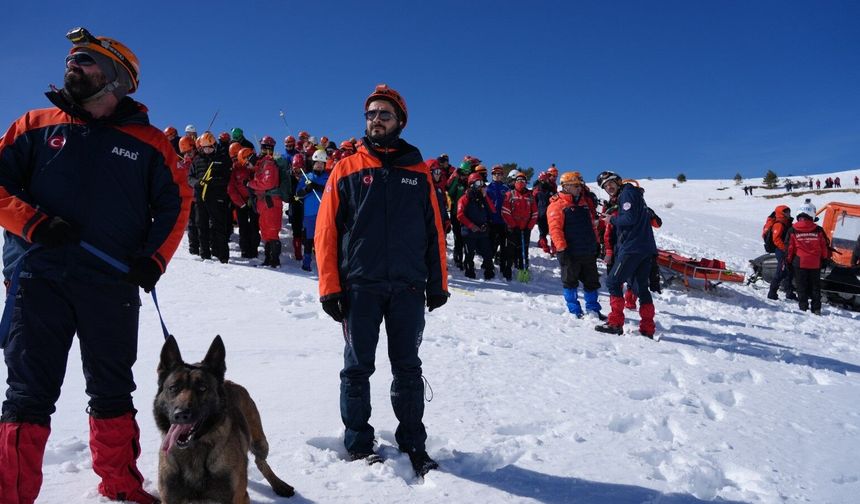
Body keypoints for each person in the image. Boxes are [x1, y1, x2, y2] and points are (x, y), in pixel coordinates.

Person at [0, 27, 191, 504]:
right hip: (37, 279)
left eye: (85, 60)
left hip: (110, 284)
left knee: (112, 389)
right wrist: (34, 224)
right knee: (27, 395)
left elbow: (176, 203)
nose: (73, 65)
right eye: (71, 58)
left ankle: (120, 484)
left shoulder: (151, 143)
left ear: (116, 77)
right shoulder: (34, 124)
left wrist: (153, 259)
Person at [315, 84, 448, 477]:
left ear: (400, 121)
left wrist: (438, 282)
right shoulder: (346, 168)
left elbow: (434, 231)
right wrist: (330, 287)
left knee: (408, 367)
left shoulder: (418, 172)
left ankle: (413, 442)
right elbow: (326, 231)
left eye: (384, 114)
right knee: (357, 368)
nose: (376, 120)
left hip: (409, 286)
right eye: (371, 114)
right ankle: (358, 443)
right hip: (360, 286)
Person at [594, 171, 658, 338]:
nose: (608, 187)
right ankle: (647, 328)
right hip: (645, 248)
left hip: (632, 248)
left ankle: (615, 323)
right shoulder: (634, 194)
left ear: (618, 181)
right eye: (605, 186)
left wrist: (611, 220)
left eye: (610, 183)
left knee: (613, 282)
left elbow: (629, 219)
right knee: (641, 288)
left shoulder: (627, 194)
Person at [548, 172, 604, 318]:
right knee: (570, 282)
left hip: (587, 250)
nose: (579, 188)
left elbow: (592, 226)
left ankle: (593, 310)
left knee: (592, 282)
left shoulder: (583, 204)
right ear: (566, 186)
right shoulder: (557, 204)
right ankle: (574, 311)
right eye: (576, 186)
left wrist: (596, 243)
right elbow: (555, 230)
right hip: (570, 252)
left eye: (580, 186)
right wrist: (562, 249)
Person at [190, 131, 232, 263]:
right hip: (200, 197)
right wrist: (197, 183)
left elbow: (226, 178)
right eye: (204, 148)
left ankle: (223, 256)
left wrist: (213, 182)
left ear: (214, 146)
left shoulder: (222, 159)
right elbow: (190, 177)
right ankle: (205, 254)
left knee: (218, 226)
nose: (207, 150)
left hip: (216, 197)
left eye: (209, 148)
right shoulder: (197, 160)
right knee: (201, 225)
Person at [787, 207, 831, 314]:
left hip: (799, 262)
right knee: (815, 286)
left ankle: (803, 307)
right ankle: (816, 308)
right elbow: (824, 246)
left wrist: (788, 261)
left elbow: (789, 248)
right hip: (815, 262)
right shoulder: (818, 229)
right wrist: (824, 259)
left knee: (801, 286)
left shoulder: (792, 230)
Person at [248, 137, 284, 267]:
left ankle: (274, 261)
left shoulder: (268, 163)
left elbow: (267, 183)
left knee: (271, 231)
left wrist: (250, 184)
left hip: (271, 202)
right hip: (265, 202)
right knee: (266, 231)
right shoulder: (263, 163)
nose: (264, 150)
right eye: (263, 147)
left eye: (267, 147)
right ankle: (269, 259)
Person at [457, 172, 497, 279]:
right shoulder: (465, 198)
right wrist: (471, 226)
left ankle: (489, 271)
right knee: (469, 253)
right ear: (471, 184)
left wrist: (486, 197)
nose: (481, 186)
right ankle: (469, 271)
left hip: (482, 231)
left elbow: (493, 210)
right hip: (469, 232)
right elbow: (460, 215)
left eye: (482, 183)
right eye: (478, 183)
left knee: (487, 253)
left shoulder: (483, 198)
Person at [295, 149, 329, 272]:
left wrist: (317, 187)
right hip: (309, 214)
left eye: (322, 163)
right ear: (313, 163)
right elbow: (297, 195)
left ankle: (323, 265)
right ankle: (306, 263)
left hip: (324, 213)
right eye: (317, 162)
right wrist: (307, 189)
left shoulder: (328, 177)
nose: (319, 165)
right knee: (308, 239)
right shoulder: (307, 177)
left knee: (323, 240)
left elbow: (331, 191)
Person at [502, 172, 537, 280]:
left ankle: (523, 269)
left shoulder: (530, 196)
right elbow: (505, 211)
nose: (521, 182)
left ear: (526, 182)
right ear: (515, 181)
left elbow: (535, 213)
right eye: (518, 180)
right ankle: (508, 269)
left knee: (523, 250)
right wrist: (513, 225)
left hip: (525, 228)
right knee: (510, 250)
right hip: (513, 228)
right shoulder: (510, 194)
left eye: (523, 180)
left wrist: (529, 227)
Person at [228, 146, 261, 259]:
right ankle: (245, 250)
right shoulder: (235, 169)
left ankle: (254, 249)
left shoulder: (254, 167)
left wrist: (254, 198)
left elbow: (258, 183)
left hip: (253, 201)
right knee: (243, 226)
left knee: (254, 226)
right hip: (240, 203)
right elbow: (231, 188)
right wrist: (241, 203)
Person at [766, 205, 796, 301]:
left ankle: (789, 293)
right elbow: (776, 239)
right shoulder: (779, 224)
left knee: (789, 272)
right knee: (781, 272)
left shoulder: (787, 222)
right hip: (781, 251)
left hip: (787, 251)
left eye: (788, 211)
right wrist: (785, 249)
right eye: (786, 212)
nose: (788, 213)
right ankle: (772, 293)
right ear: (781, 213)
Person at [178, 135, 201, 256]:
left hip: (200, 198)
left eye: (190, 152)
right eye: (185, 153)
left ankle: (205, 248)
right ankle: (194, 249)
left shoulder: (200, 161)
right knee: (192, 224)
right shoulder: (182, 165)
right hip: (189, 199)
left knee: (202, 223)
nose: (187, 155)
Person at [486, 165, 510, 271]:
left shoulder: (506, 188)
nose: (497, 175)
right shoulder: (488, 188)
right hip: (492, 220)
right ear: (492, 175)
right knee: (491, 243)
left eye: (499, 174)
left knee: (504, 244)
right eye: (495, 173)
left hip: (503, 221)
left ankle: (502, 264)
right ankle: (488, 263)